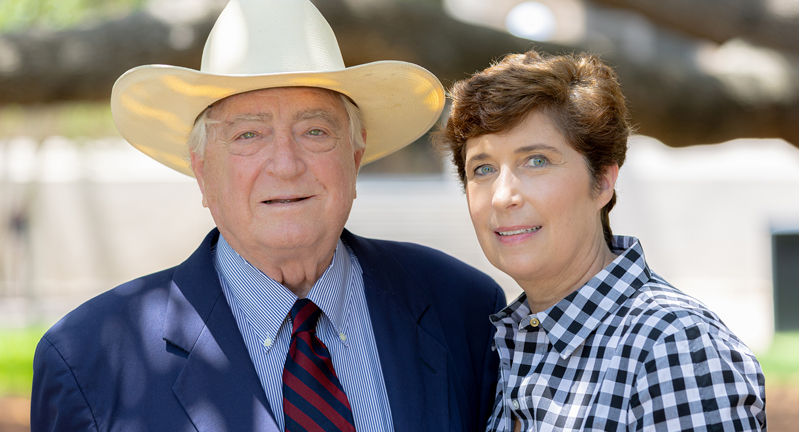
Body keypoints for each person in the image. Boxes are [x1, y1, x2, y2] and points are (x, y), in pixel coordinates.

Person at [30, 1, 506, 431]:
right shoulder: (87, 363)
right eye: (247, 136)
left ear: (355, 159)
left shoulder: (461, 308)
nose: (285, 164)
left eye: (315, 131)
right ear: (202, 171)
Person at [433, 50, 766, 431]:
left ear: (603, 181)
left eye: (537, 160)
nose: (502, 195)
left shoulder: (673, 347)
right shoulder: (506, 346)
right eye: (483, 168)